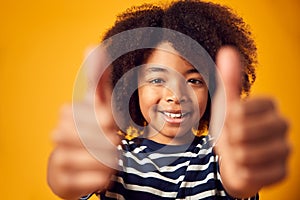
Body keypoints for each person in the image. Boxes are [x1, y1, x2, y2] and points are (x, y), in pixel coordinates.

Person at [47, 0, 291, 199]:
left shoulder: (220, 154)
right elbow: (67, 182)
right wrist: (65, 167)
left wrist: (246, 168)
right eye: (157, 80)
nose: (176, 96)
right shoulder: (113, 156)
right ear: (133, 88)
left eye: (194, 80)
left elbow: (239, 181)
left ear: (212, 89)